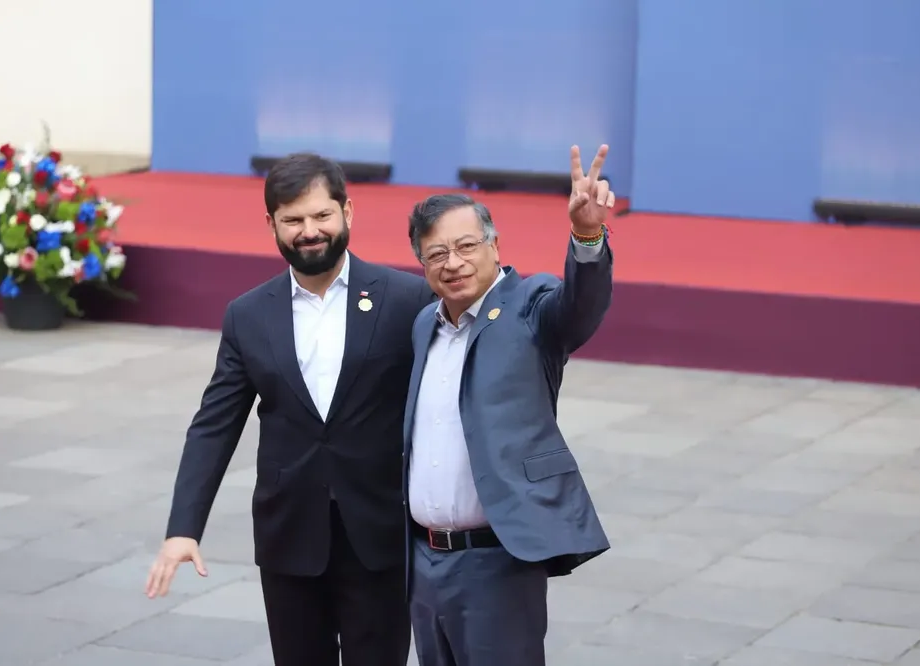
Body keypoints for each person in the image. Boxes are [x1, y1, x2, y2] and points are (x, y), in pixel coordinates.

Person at [145, 153, 436, 666]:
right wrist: (182, 528)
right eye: (293, 220)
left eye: (321, 215)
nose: (310, 231)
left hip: (379, 533)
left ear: (348, 211)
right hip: (289, 537)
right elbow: (214, 426)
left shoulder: (405, 298)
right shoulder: (249, 315)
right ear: (272, 225)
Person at [402, 145, 615, 666]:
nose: (453, 264)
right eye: (436, 254)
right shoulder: (423, 325)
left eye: (467, 245)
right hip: (424, 562)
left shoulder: (530, 306)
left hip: (497, 560)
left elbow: (579, 309)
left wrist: (588, 236)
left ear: (495, 246)